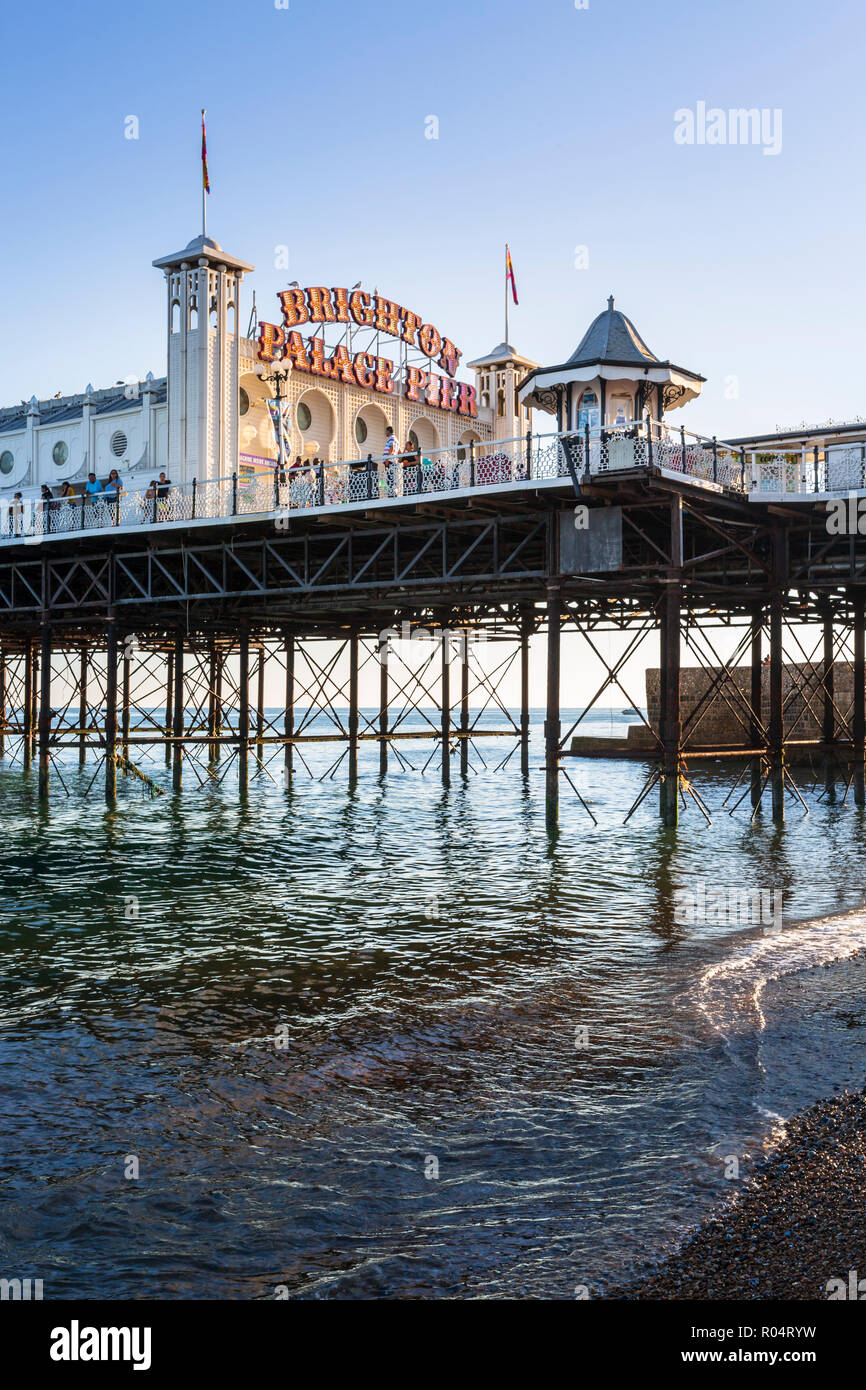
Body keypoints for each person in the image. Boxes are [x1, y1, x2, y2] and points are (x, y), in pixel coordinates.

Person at [382, 426, 400, 497]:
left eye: (386, 431)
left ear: (388, 431)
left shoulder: (391, 438)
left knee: (390, 478)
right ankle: (392, 493)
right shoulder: (396, 440)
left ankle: (391, 494)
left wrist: (387, 459)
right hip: (393, 461)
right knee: (392, 477)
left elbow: (391, 448)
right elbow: (399, 451)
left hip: (390, 461)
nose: (385, 433)